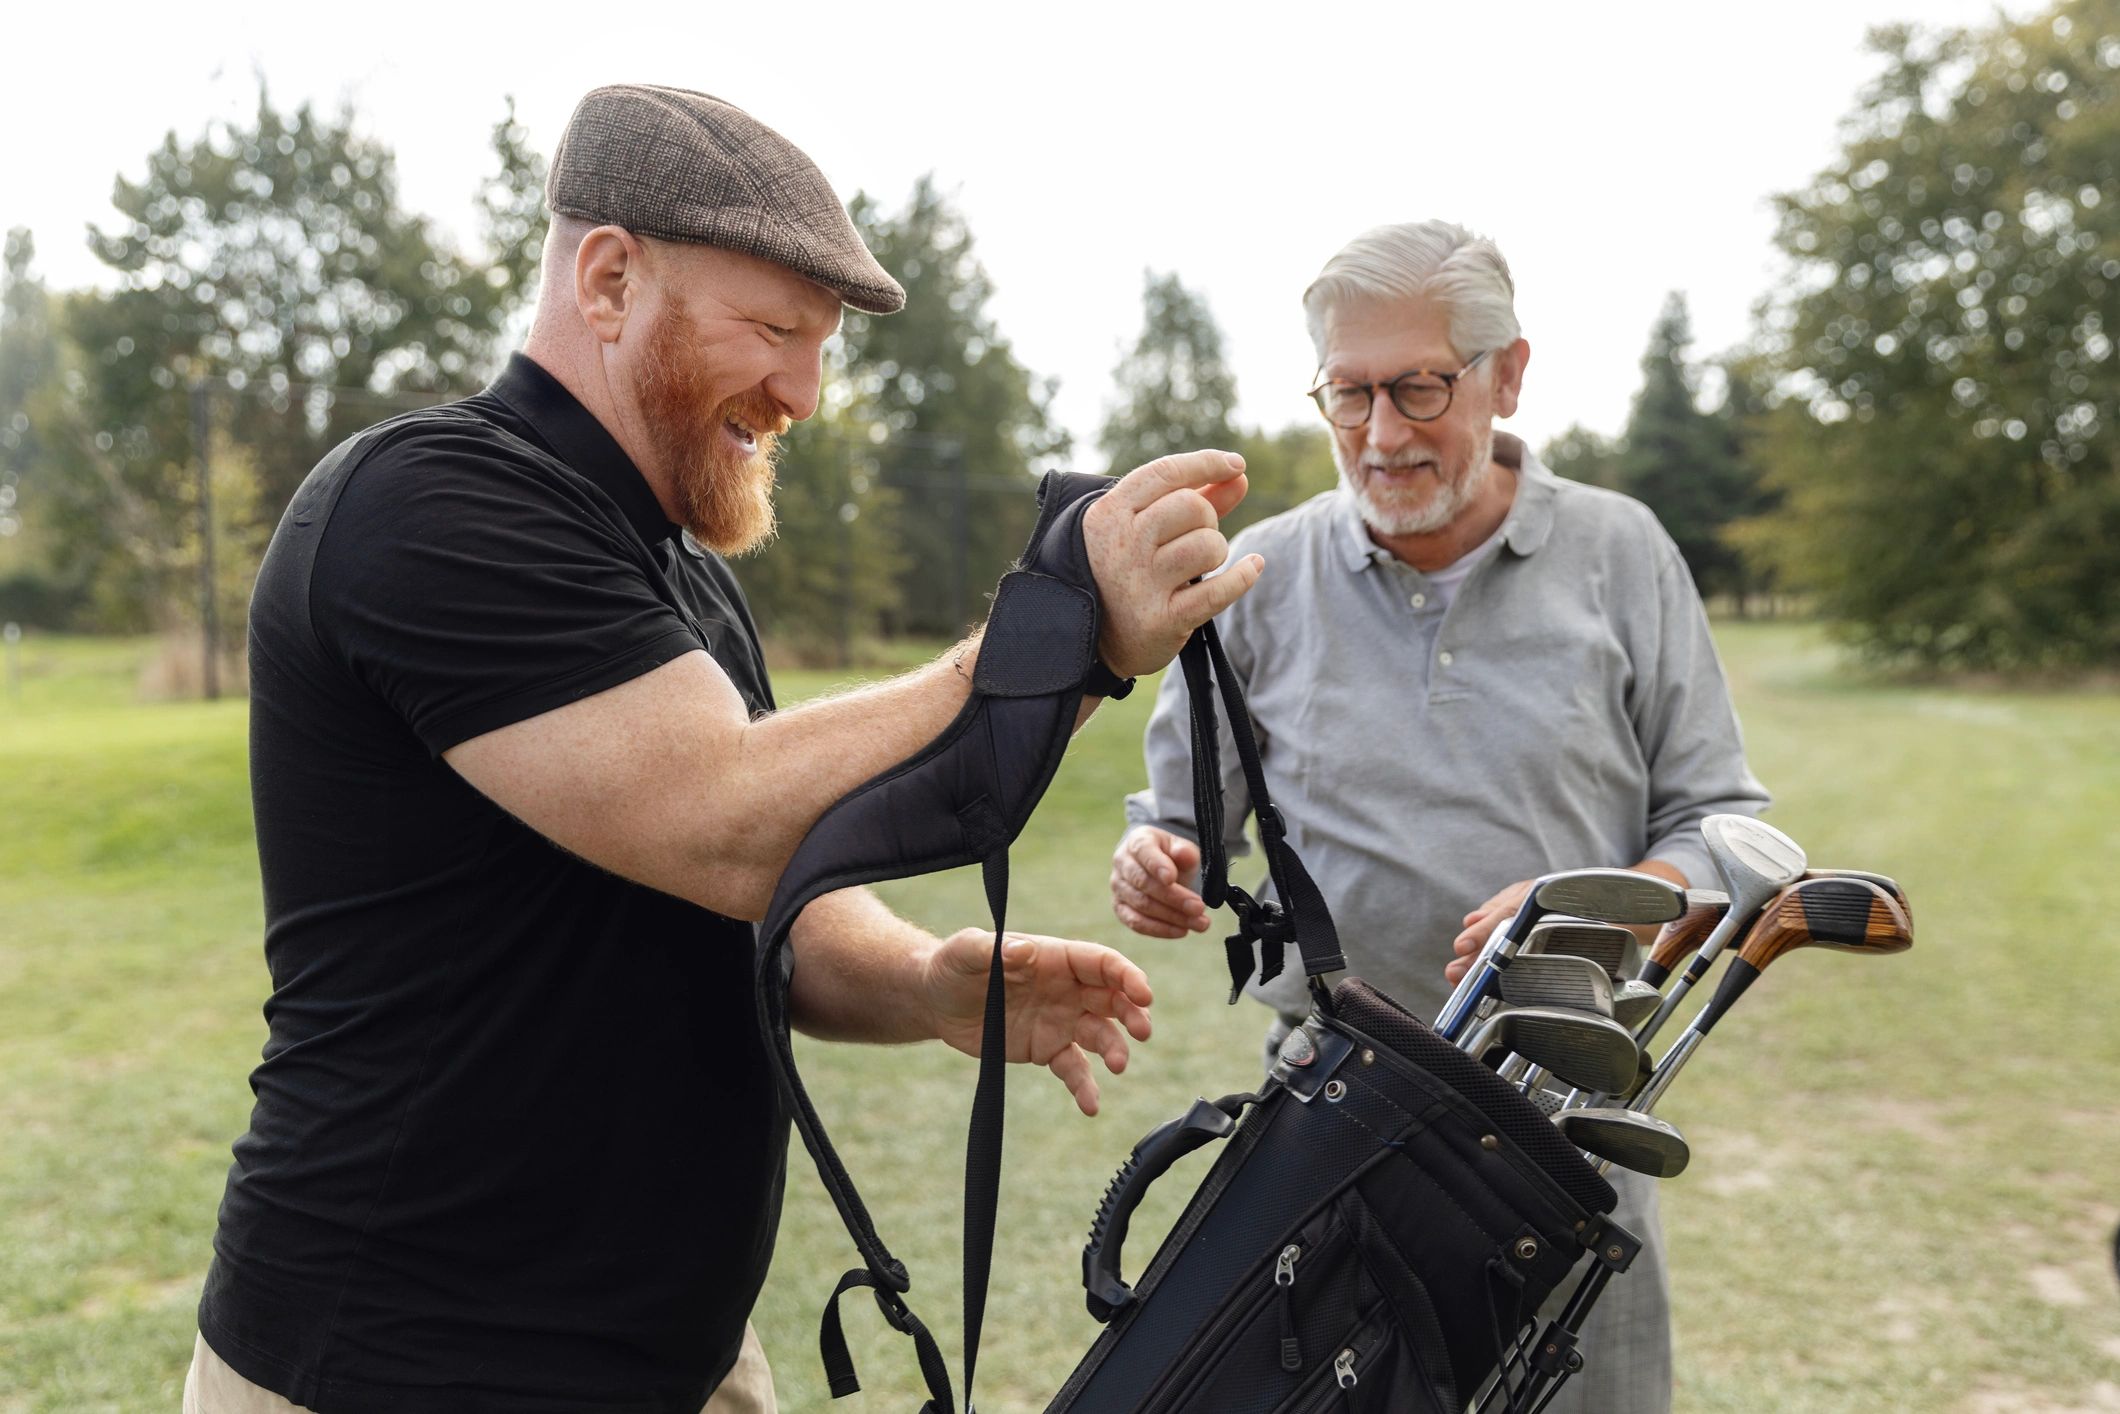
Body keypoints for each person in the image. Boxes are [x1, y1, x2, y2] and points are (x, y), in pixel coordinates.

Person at [186, 84, 1263, 1414]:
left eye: (823, 347)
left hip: (673, 1357)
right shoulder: (430, 504)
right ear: (608, 277)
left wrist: (924, 978)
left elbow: (773, 887)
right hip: (407, 1358)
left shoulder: (677, 575)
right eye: (772, 330)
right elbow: (717, 812)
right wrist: (1052, 632)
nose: (804, 392)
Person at [1110, 220, 1771, 1414]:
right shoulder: (1257, 578)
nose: (1379, 433)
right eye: (1348, 392)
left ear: (1506, 373)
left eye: (1419, 386)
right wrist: (1156, 860)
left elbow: (1716, 822)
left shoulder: (1622, 552)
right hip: (1327, 1105)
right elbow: (1177, 821)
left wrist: (1580, 914)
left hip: (1566, 1119)